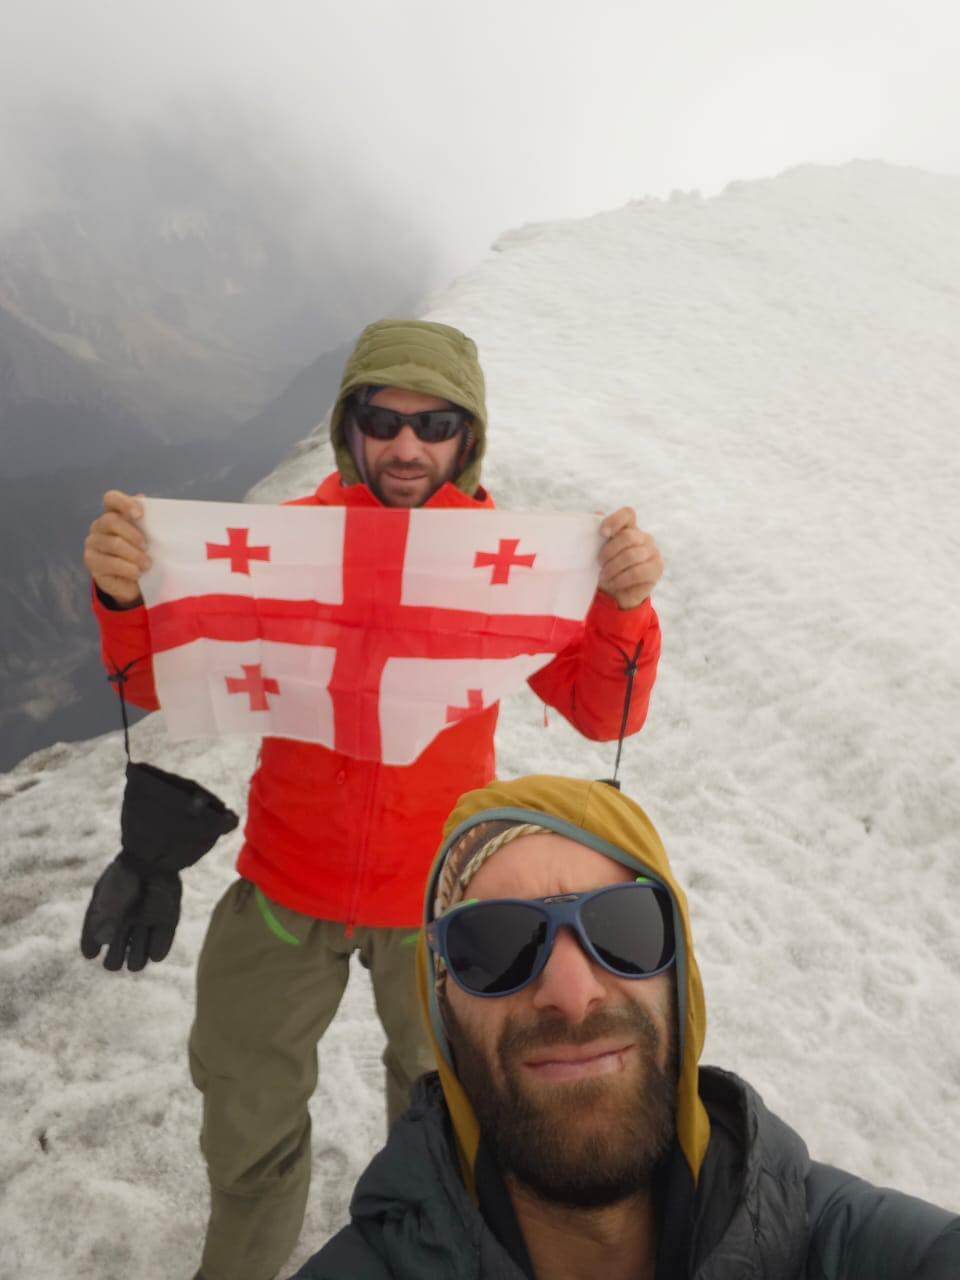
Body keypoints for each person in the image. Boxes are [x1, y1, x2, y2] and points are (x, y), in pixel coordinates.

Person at [81, 320, 666, 1280]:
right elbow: (156, 680)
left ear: (466, 438)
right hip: (284, 890)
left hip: (440, 908)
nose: (406, 446)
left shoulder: (507, 566)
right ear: (348, 427)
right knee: (245, 1124)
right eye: (382, 419)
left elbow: (608, 707)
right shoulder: (284, 548)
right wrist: (123, 597)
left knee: (455, 1138)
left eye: (434, 423)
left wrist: (623, 607)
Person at [294, 773, 960, 1279]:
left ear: (680, 980)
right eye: (496, 944)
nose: (572, 993)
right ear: (443, 1006)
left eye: (624, 927)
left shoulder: (850, 1243)